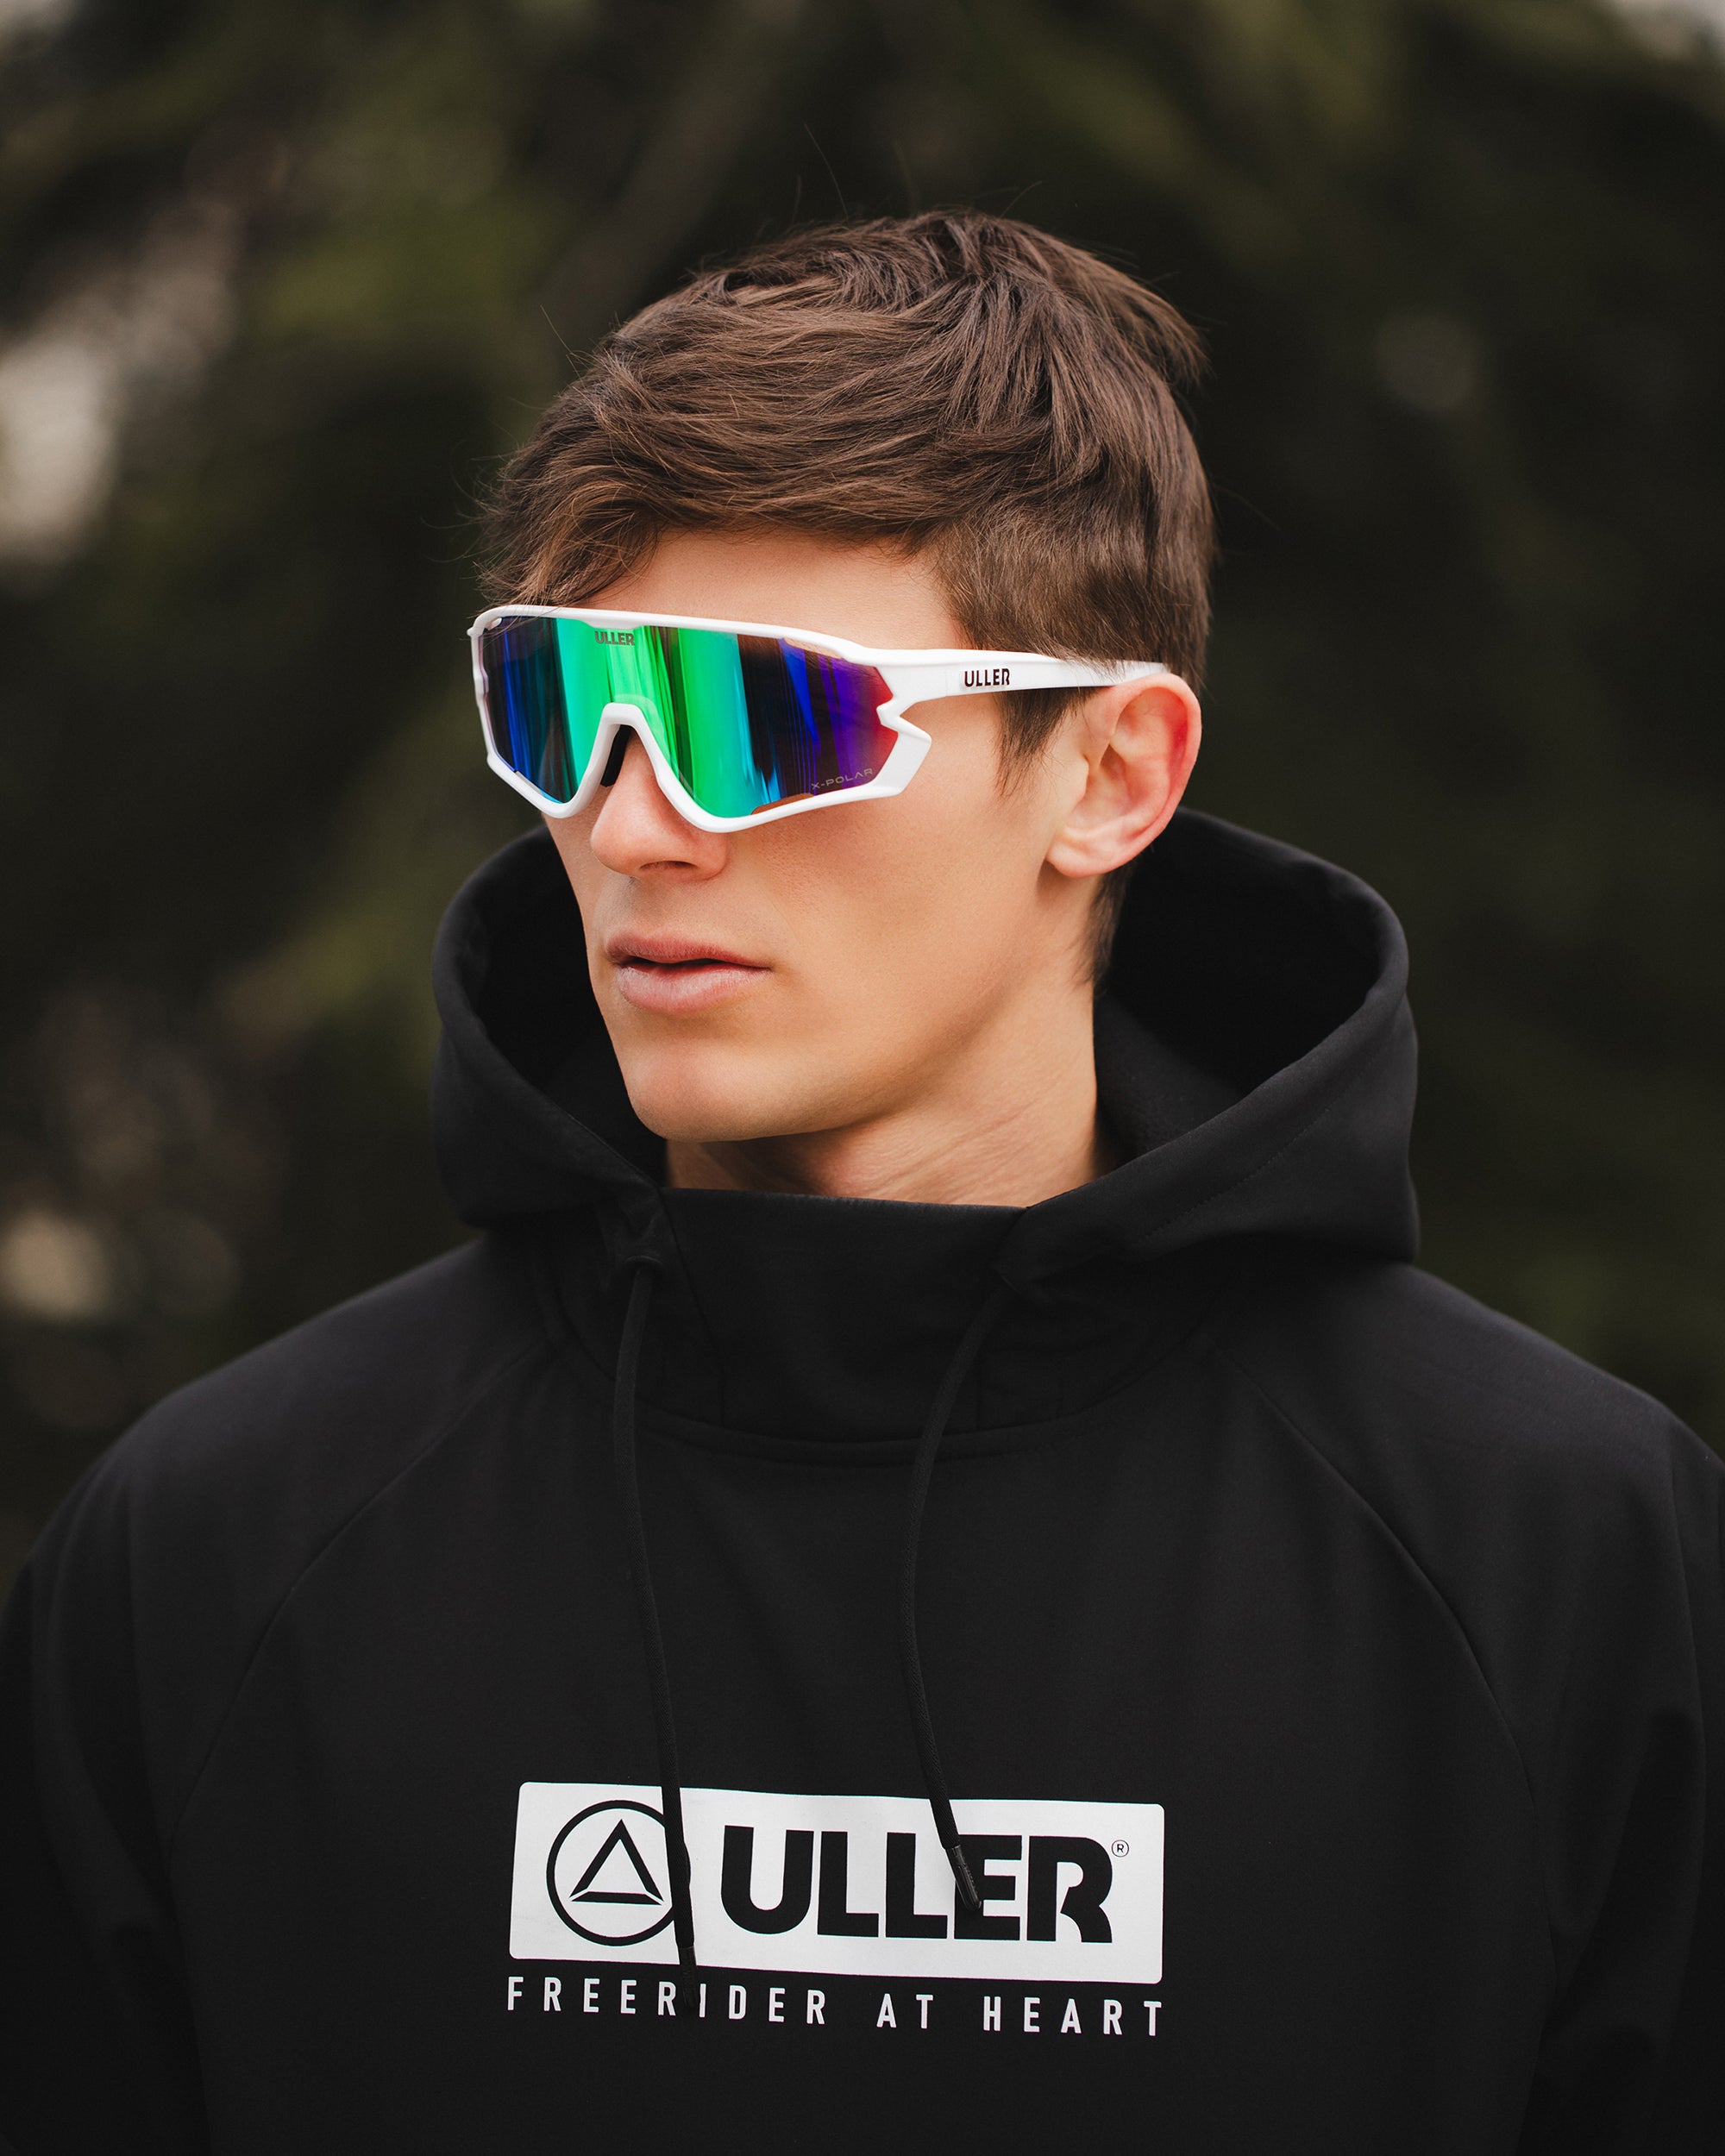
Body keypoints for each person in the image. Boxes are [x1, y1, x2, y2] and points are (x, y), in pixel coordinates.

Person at [0, 212, 1718, 2155]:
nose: (636, 823)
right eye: (564, 706)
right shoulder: (213, 1555)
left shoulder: (1565, 1563)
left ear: (1110, 774)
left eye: (760, 720)